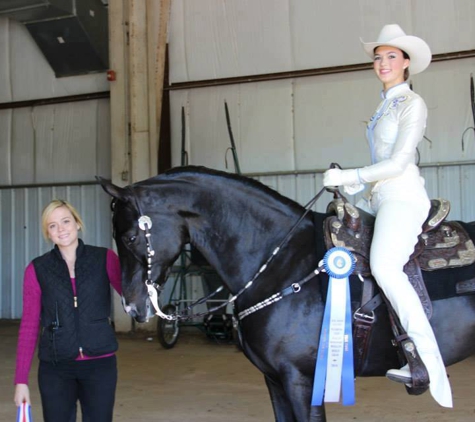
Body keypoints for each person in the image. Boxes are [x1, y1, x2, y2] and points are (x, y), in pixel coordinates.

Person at [323, 24, 452, 407]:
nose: (382, 63)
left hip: (404, 198)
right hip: (383, 198)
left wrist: (352, 176)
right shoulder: (383, 106)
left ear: (407, 62)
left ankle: (426, 362)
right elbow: (380, 166)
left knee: (384, 266)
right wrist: (354, 189)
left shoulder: (412, 103)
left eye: (391, 56)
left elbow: (398, 163)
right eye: (378, 57)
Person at [13, 199, 122, 421]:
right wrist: (21, 381)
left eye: (65, 221)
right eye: (53, 225)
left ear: (77, 223)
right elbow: (29, 325)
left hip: (100, 364)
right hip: (56, 367)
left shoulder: (105, 258)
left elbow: (133, 295)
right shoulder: (37, 269)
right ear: (48, 232)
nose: (61, 229)